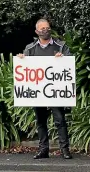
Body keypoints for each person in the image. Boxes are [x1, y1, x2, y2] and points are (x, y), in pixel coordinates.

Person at [17, 19, 73, 159]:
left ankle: (64, 149)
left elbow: (69, 64)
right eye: (42, 28)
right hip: (38, 91)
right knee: (40, 121)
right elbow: (25, 69)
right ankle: (43, 150)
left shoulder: (61, 46)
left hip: (56, 91)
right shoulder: (30, 49)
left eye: (47, 28)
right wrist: (21, 60)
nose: (45, 30)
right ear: (36, 32)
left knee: (59, 119)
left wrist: (63, 59)